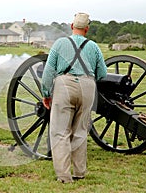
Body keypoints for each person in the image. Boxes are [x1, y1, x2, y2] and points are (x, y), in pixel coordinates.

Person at [41, 13, 107, 183]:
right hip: (87, 86)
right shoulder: (93, 46)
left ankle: (64, 176)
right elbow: (103, 73)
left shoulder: (60, 43)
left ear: (72, 26)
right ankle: (79, 172)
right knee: (80, 131)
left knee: (60, 132)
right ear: (87, 28)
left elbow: (49, 72)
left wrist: (46, 94)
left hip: (65, 85)